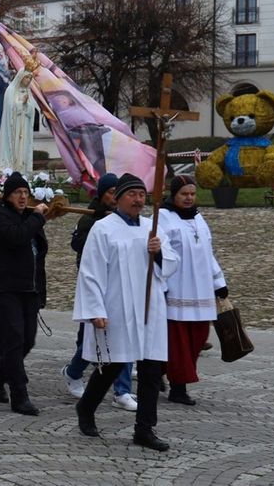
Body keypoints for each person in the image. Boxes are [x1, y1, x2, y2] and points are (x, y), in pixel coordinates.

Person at [73, 173, 180, 452]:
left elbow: (171, 264)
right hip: (117, 305)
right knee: (112, 364)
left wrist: (158, 253)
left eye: (142, 195)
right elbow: (91, 272)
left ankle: (144, 429)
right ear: (118, 198)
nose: (138, 200)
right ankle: (86, 407)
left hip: (149, 307)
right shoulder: (103, 228)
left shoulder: (151, 227)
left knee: (151, 370)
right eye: (132, 194)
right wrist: (95, 308)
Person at [62, 173, 137, 411]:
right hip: (97, 284)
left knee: (126, 337)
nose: (114, 197)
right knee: (93, 339)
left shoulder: (129, 219)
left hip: (123, 284)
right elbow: (78, 245)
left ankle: (122, 391)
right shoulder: (91, 218)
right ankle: (73, 371)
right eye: (110, 192)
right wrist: (99, 226)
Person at [0, 172, 50, 416]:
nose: (23, 197)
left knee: (28, 340)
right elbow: (17, 237)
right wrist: (37, 218)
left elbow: (37, 252)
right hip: (4, 286)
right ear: (7, 195)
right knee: (12, 339)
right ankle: (19, 395)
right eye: (17, 193)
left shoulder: (27, 216)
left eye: (25, 193)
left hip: (28, 288)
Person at [160, 175, 227, 406]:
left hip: (202, 291)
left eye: (192, 194)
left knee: (199, 337)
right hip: (177, 290)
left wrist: (219, 282)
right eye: (184, 194)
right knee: (179, 343)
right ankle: (178, 388)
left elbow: (207, 252)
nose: (189, 198)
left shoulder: (199, 218)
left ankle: (159, 371)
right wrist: (163, 286)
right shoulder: (162, 218)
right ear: (174, 195)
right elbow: (160, 255)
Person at [0, 68, 36, 175]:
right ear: (20, 77)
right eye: (26, 77)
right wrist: (21, 103)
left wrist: (27, 105)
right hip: (13, 126)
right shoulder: (11, 90)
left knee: (22, 149)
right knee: (14, 148)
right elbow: (9, 109)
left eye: (30, 78)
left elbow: (32, 110)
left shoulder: (28, 92)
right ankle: (10, 169)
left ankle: (22, 170)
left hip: (25, 126)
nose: (28, 80)